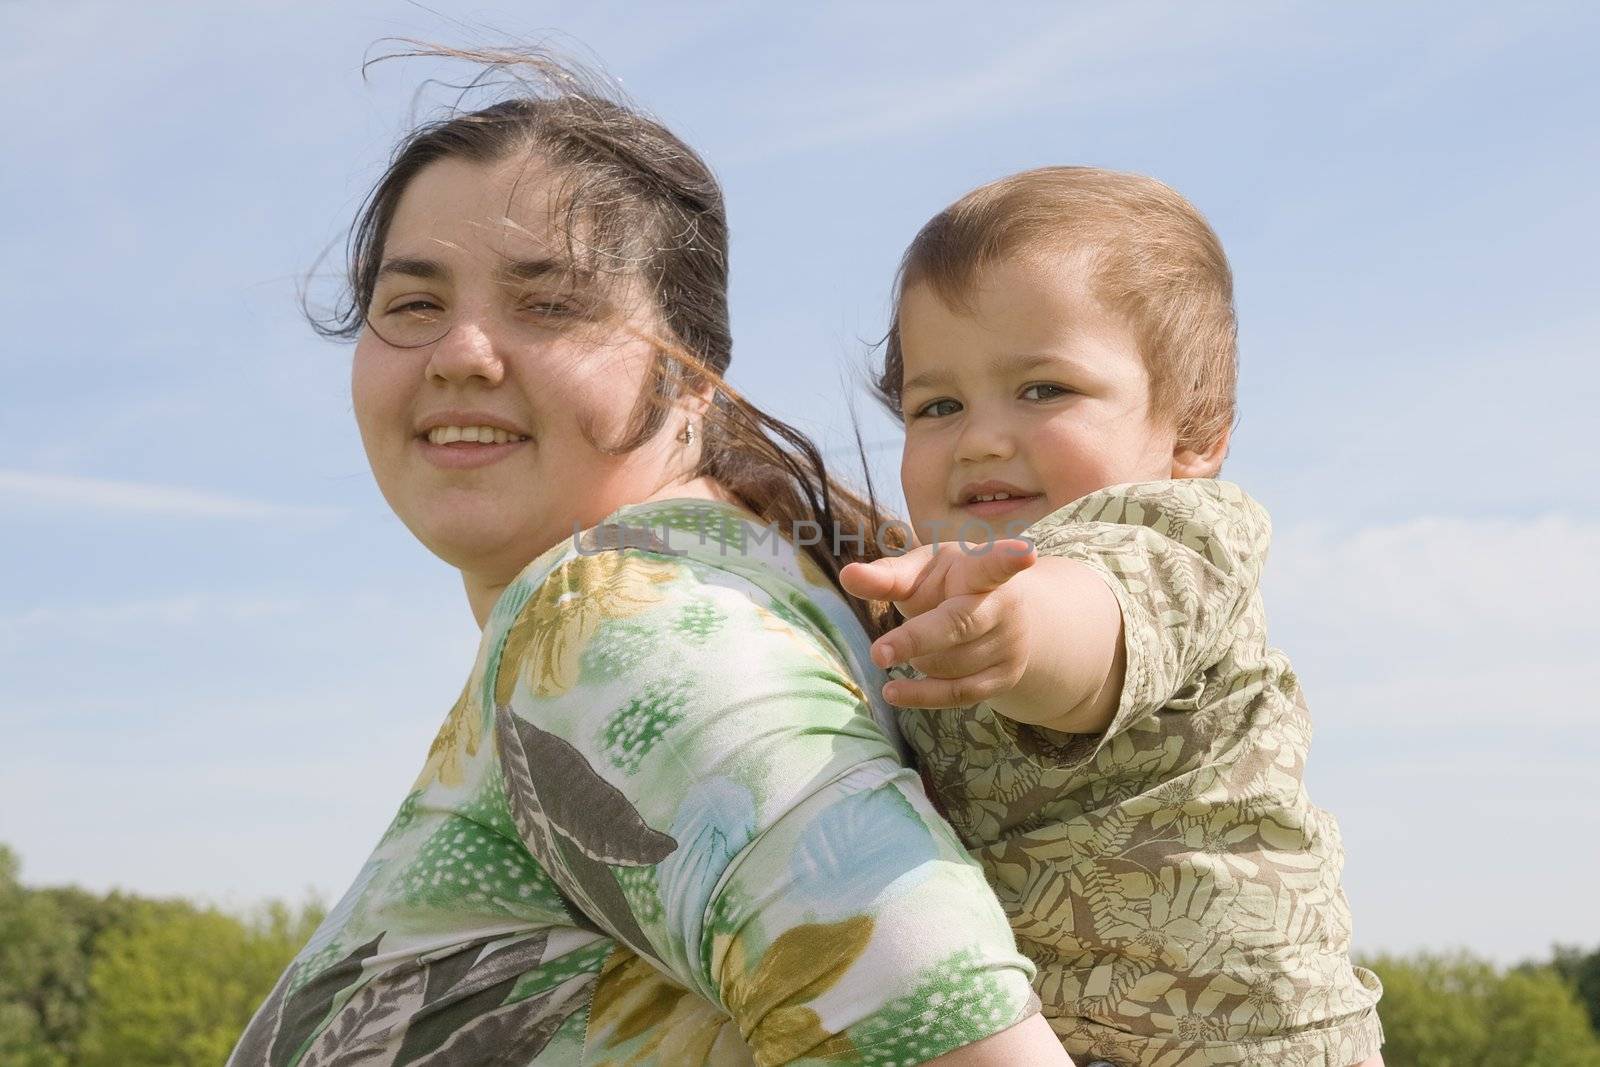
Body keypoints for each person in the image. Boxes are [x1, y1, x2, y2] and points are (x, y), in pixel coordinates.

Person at [226, 48, 1074, 1067]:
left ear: (692, 381)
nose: (459, 350)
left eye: (548, 303)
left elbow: (948, 1031)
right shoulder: (723, 585)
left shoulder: (616, 620)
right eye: (414, 304)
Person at [841, 167, 1385, 1067]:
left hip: (1240, 1043)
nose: (979, 436)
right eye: (938, 405)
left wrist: (1016, 624)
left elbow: (1094, 619)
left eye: (1044, 390)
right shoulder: (938, 583)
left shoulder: (1181, 535)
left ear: (1193, 435)